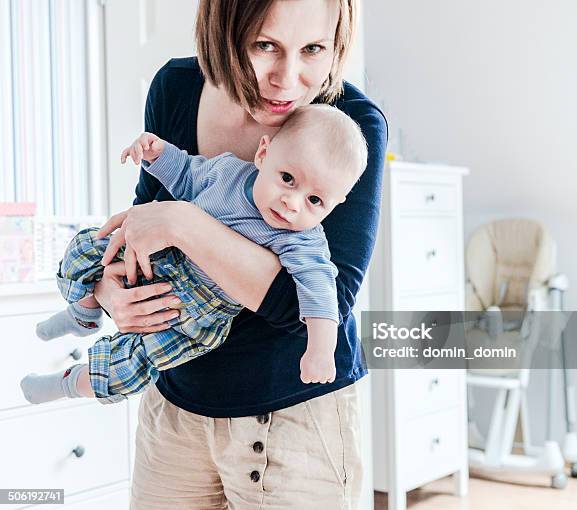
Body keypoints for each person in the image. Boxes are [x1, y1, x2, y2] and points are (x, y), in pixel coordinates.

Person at [94, 0, 386, 508]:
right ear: (224, 29)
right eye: (264, 46)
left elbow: (316, 306)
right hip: (174, 407)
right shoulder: (176, 88)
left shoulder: (351, 127)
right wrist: (108, 292)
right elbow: (145, 224)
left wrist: (187, 225)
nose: (287, 79)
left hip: (294, 418)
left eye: (313, 49)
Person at [21, 104, 368, 405]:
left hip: (195, 311)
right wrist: (157, 153)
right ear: (264, 154)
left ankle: (68, 383)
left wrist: (321, 351)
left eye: (315, 201)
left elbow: (321, 293)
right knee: (86, 247)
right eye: (288, 178)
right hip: (162, 257)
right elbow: (186, 174)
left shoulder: (302, 239)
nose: (292, 204)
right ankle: (84, 314)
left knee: (130, 368)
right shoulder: (228, 173)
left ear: (335, 206)